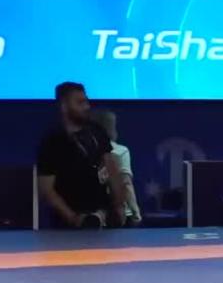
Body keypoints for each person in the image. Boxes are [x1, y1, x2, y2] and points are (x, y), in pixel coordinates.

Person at [36, 83, 128, 229]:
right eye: (80, 103)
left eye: (86, 102)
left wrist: (119, 205)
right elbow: (46, 189)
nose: (86, 107)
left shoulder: (97, 132)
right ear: (64, 106)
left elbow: (112, 170)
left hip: (101, 219)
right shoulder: (52, 141)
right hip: (66, 227)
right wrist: (74, 218)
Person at [91, 109, 143, 225]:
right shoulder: (121, 151)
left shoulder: (86, 151)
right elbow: (126, 183)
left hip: (94, 214)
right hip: (119, 215)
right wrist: (135, 211)